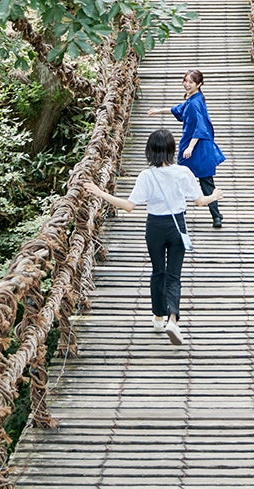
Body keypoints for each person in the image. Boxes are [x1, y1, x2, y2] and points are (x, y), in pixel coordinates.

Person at [88, 128, 222, 345]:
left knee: (157, 272)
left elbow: (129, 206)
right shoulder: (183, 172)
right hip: (177, 225)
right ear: (172, 150)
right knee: (174, 275)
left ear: (149, 151)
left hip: (155, 227)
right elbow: (199, 201)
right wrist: (214, 195)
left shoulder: (146, 176)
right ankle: (173, 320)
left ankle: (158, 317)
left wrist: (100, 193)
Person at [148, 69, 227, 228]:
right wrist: (159, 111)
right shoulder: (195, 99)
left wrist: (190, 146)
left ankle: (182, 212)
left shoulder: (195, 102)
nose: (187, 84)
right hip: (200, 145)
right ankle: (216, 216)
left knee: (182, 179)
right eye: (185, 81)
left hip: (194, 144)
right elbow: (179, 109)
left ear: (199, 84)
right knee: (206, 181)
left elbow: (201, 126)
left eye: (191, 82)